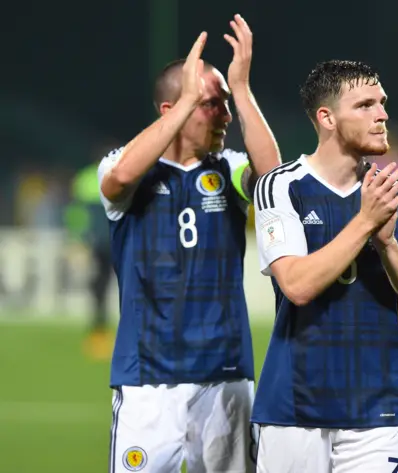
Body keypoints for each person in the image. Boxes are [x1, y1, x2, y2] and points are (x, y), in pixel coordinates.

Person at [98, 16, 281, 473]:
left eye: (223, 105)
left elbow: (273, 176)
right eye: (210, 104)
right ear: (172, 109)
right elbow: (119, 179)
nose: (222, 116)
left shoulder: (231, 169)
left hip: (225, 376)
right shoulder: (126, 168)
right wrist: (187, 103)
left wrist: (239, 90)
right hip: (147, 381)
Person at [252, 60, 398, 473]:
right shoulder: (282, 186)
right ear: (327, 117)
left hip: (377, 411)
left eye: (383, 103)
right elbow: (296, 285)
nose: (383, 114)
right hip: (293, 408)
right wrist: (366, 223)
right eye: (366, 105)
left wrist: (387, 245)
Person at [65, 154, 114, 360]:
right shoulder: (119, 172)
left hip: (97, 241)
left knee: (99, 285)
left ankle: (99, 329)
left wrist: (77, 237)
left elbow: (77, 211)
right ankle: (100, 330)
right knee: (101, 285)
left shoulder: (85, 178)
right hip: (109, 241)